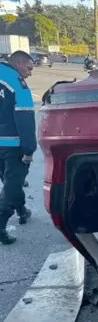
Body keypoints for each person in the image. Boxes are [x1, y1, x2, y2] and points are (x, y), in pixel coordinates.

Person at [0, 51, 36, 245]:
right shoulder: (16, 82)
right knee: (13, 184)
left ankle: (22, 210)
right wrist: (29, 149)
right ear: (19, 63)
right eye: (29, 68)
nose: (30, 74)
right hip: (12, 144)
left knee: (10, 182)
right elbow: (25, 119)